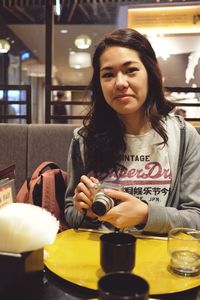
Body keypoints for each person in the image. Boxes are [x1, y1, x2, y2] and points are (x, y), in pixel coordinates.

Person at [64, 28, 200, 234]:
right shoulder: (84, 139)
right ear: (99, 84)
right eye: (108, 74)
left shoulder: (184, 135)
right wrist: (87, 213)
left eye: (131, 70)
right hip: (98, 256)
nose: (120, 83)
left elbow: (196, 218)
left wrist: (147, 215)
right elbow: (71, 213)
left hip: (158, 257)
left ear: (150, 74)